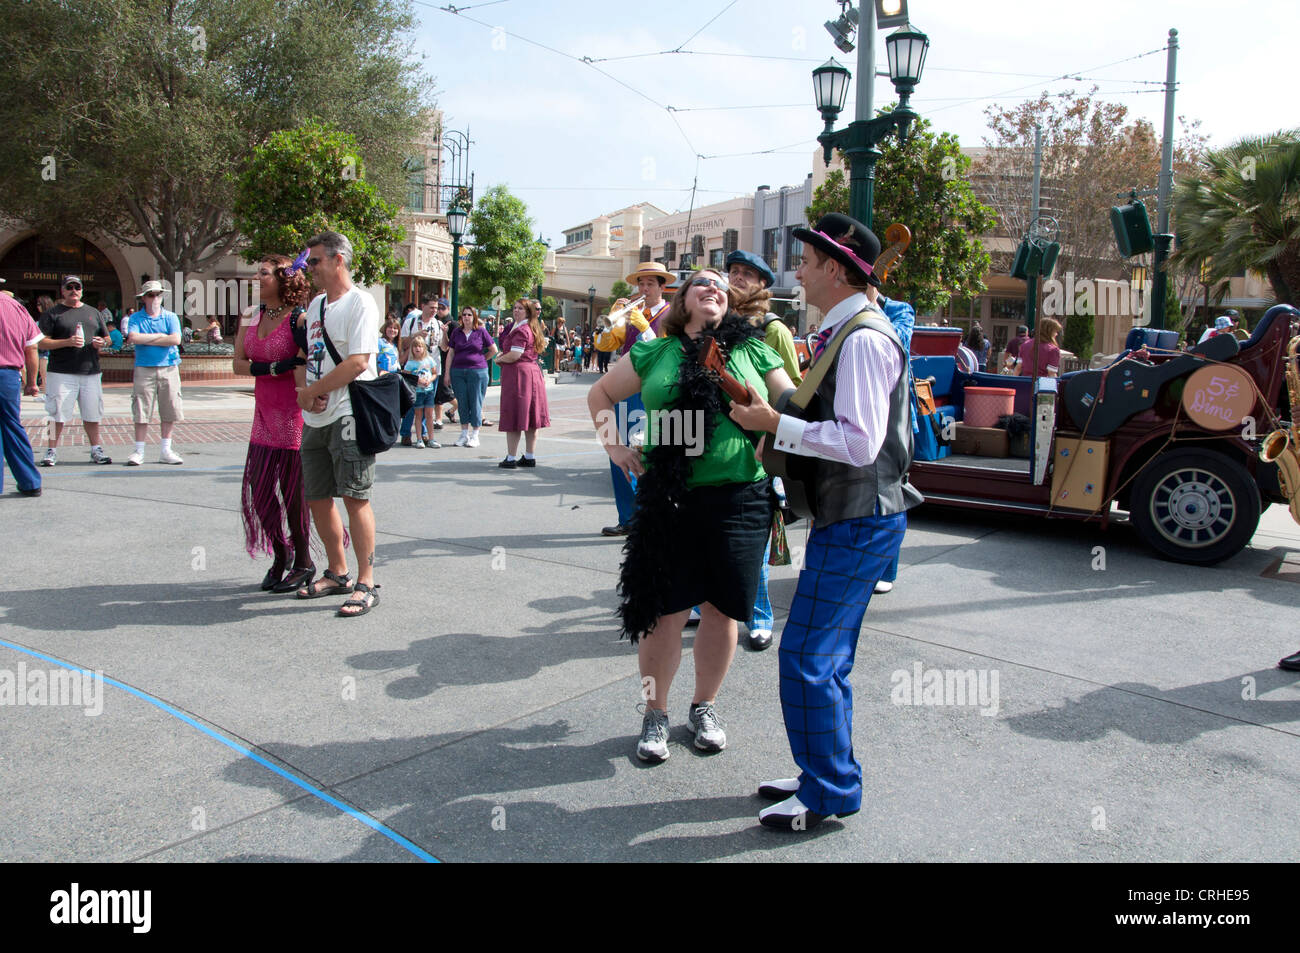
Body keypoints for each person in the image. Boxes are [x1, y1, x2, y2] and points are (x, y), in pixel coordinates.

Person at [729, 212, 922, 830]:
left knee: (810, 656)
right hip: (857, 516)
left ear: (835, 269)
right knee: (825, 658)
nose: (799, 273)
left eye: (808, 263)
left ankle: (829, 790)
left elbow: (860, 444)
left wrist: (773, 424)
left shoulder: (862, 339)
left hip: (861, 516)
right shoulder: (852, 331)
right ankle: (824, 775)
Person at [589, 268, 793, 763]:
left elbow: (795, 406)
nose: (713, 288)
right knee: (666, 613)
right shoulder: (654, 351)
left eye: (721, 285)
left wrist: (772, 428)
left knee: (722, 610)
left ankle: (704, 706)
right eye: (701, 282)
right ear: (682, 300)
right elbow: (599, 396)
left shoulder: (753, 351)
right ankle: (654, 712)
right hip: (670, 498)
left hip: (740, 497)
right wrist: (616, 449)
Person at [293, 230, 382, 617]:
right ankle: (337, 571)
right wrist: (306, 392)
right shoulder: (315, 306)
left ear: (337, 260)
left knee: (354, 495)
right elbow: (308, 354)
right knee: (316, 495)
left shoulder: (362, 302)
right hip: (316, 415)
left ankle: (366, 582)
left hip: (349, 411)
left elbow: (359, 361)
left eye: (314, 261)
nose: (308, 268)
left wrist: (314, 390)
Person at [233, 255, 313, 593]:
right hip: (263, 415)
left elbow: (308, 362)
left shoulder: (300, 318)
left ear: (283, 279)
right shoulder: (251, 315)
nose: (256, 276)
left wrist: (288, 369)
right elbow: (238, 364)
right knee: (260, 489)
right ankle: (280, 551)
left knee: (295, 493)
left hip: (293, 414)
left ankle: (304, 561)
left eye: (263, 273)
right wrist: (275, 368)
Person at [601, 262, 673, 537]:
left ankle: (652, 516)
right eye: (640, 284)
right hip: (624, 388)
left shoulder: (672, 315)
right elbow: (604, 345)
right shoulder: (632, 313)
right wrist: (613, 318)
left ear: (661, 287)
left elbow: (666, 352)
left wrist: (645, 327)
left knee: (649, 452)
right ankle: (627, 516)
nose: (643, 289)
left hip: (652, 390)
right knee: (618, 450)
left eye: (650, 284)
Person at [866, 269, 916, 595]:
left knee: (893, 494)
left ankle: (888, 569)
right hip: (866, 413)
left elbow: (896, 342)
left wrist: (872, 306)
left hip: (895, 420)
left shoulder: (900, 310)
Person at [37, 276, 113, 466]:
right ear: (62, 291)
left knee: (92, 413)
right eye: (69, 287)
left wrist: (101, 343)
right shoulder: (53, 313)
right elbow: (41, 342)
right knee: (55, 414)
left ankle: (96, 450)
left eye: (77, 287)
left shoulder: (93, 312)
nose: (73, 290)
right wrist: (67, 342)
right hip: (60, 372)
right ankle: (51, 450)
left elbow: (108, 338)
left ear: (82, 290)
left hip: (90, 371)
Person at [125, 280, 184, 465]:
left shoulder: (171, 317)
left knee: (169, 409)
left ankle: (166, 450)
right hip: (144, 368)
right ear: (143, 298)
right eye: (151, 294)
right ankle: (139, 451)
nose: (155, 298)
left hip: (169, 367)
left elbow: (175, 339)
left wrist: (147, 339)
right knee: (142, 410)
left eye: (158, 294)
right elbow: (133, 337)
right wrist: (162, 338)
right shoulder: (136, 318)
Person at [495, 298, 550, 468]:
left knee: (514, 414)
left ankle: (511, 458)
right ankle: (529, 456)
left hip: (519, 374)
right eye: (515, 307)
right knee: (531, 416)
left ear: (527, 312)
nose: (516, 311)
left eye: (520, 308)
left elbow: (515, 355)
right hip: (531, 373)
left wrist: (499, 360)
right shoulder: (530, 327)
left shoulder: (521, 330)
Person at [1, 286, 44, 497]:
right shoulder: (16, 307)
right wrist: (32, 381)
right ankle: (30, 481)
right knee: (12, 426)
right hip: (9, 374)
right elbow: (32, 347)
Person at [446, 305, 497, 448]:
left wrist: (482, 359)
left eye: (469, 314)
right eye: (464, 315)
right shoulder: (457, 332)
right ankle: (464, 434)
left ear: (474, 316)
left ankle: (475, 434)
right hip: (458, 371)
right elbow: (450, 353)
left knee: (475, 402)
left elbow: (494, 349)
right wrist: (447, 373)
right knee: (462, 402)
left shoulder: (480, 331)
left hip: (477, 372)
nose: (466, 317)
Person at [399, 294, 443, 445]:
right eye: (431, 307)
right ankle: (406, 433)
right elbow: (404, 344)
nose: (434, 311)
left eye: (436, 308)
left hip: (432, 367)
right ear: (423, 306)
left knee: (427, 405)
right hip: (414, 368)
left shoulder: (437, 323)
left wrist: (447, 333)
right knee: (412, 404)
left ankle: (423, 433)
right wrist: (416, 335)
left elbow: (443, 346)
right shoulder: (411, 321)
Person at [404, 335, 442, 449]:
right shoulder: (410, 363)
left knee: (429, 415)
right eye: (415, 346)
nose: (417, 349)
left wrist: (429, 380)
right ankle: (419, 439)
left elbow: (434, 373)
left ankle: (431, 439)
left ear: (424, 348)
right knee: (418, 415)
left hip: (428, 391)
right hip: (418, 392)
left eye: (420, 346)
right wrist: (417, 380)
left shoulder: (429, 360)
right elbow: (406, 376)